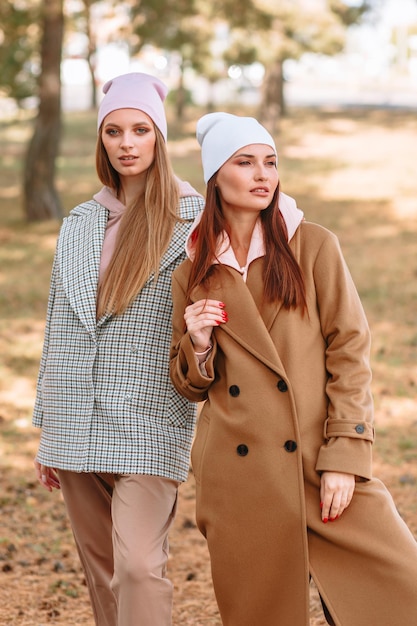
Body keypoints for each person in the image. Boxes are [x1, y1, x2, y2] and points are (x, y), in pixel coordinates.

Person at [169, 112, 417, 626]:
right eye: (245, 162)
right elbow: (190, 386)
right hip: (241, 479)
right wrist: (197, 344)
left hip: (318, 459)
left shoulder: (314, 245)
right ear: (217, 176)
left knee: (400, 590)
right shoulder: (192, 271)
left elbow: (349, 348)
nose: (263, 174)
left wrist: (345, 455)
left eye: (270, 162)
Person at [32, 72, 204, 626]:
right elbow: (60, 324)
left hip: (151, 418)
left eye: (139, 129)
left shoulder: (193, 220)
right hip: (74, 421)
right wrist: (47, 428)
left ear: (158, 137)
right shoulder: (78, 223)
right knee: (101, 570)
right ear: (101, 140)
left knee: (136, 566)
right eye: (114, 131)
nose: (127, 143)